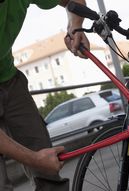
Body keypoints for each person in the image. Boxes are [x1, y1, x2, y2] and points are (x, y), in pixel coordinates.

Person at [0, 0, 90, 190]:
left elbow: (74, 1)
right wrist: (34, 159)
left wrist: (75, 27)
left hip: (10, 80)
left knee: (48, 172)